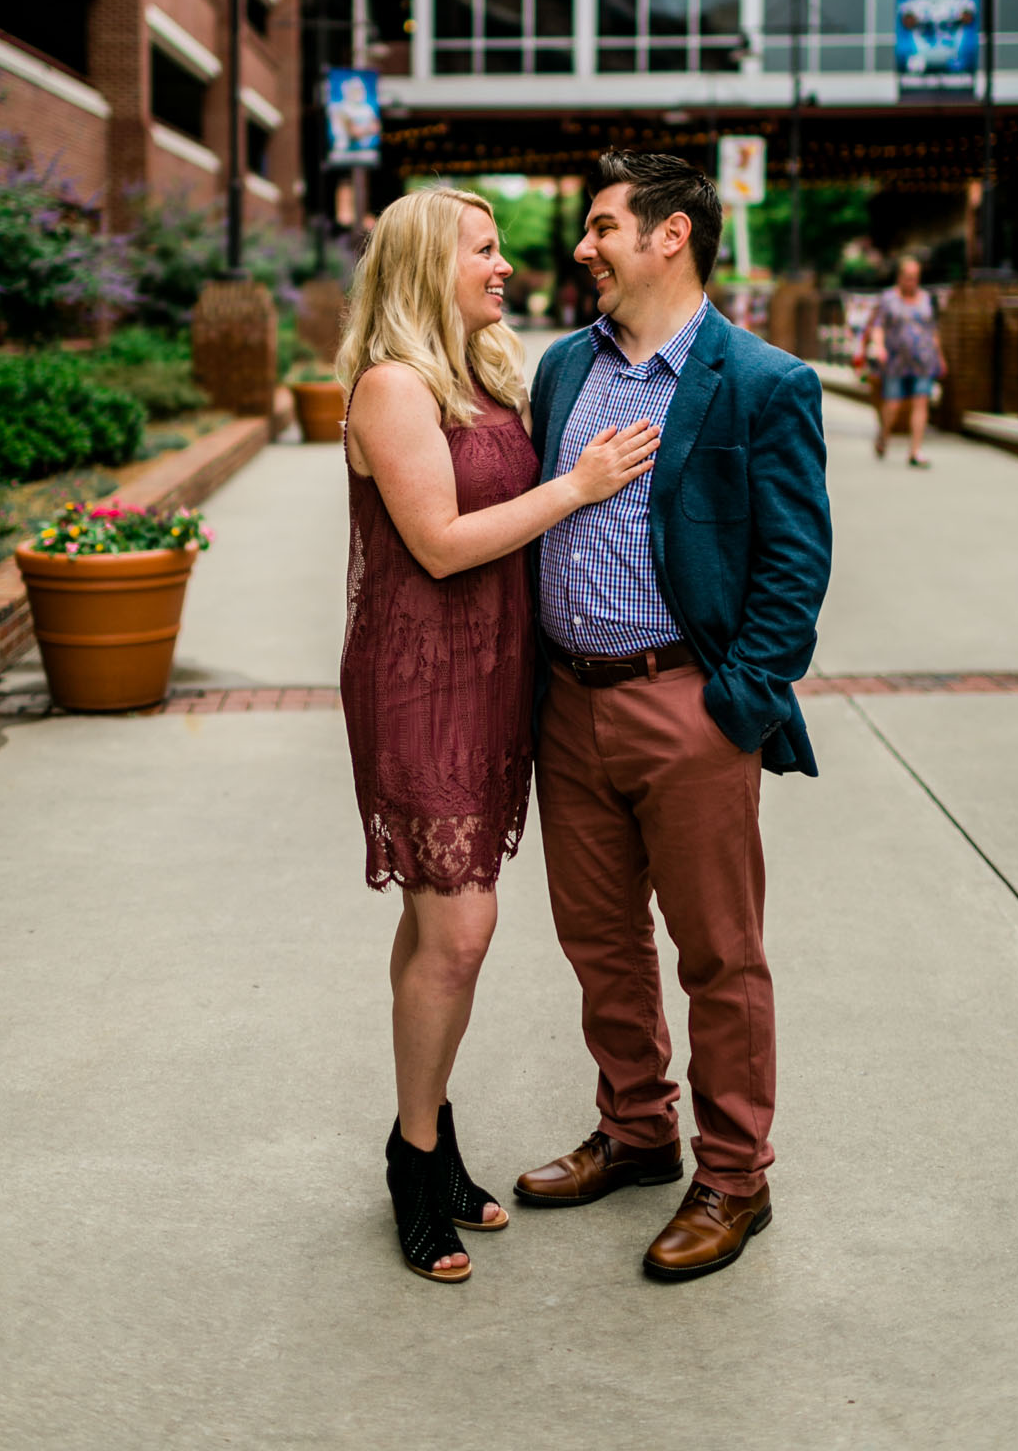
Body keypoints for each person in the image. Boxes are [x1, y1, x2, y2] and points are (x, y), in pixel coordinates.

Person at [515, 152, 832, 1283]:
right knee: (599, 943)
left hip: (684, 707)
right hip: (568, 704)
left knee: (719, 954)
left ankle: (736, 1176)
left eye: (603, 226)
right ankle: (639, 1128)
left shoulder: (763, 381)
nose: (583, 246)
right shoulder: (562, 369)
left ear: (672, 236)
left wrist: (729, 707)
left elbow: (794, 568)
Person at [337, 186, 660, 1285]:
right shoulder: (391, 386)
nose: (506, 264)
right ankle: (413, 1162)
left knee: (438, 923)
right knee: (462, 928)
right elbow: (434, 542)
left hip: (494, 677)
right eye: (485, 249)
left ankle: (428, 1128)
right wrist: (579, 486)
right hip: (424, 679)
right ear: (432, 264)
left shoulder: (489, 371)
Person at [860, 258, 947, 468]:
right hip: (895, 361)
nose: (912, 282)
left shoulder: (926, 299)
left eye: (915, 278)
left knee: (921, 402)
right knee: (893, 404)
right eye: (908, 277)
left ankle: (915, 451)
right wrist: (879, 346)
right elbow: (878, 326)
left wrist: (940, 357)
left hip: (924, 360)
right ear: (900, 277)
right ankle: (884, 436)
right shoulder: (888, 299)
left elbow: (932, 330)